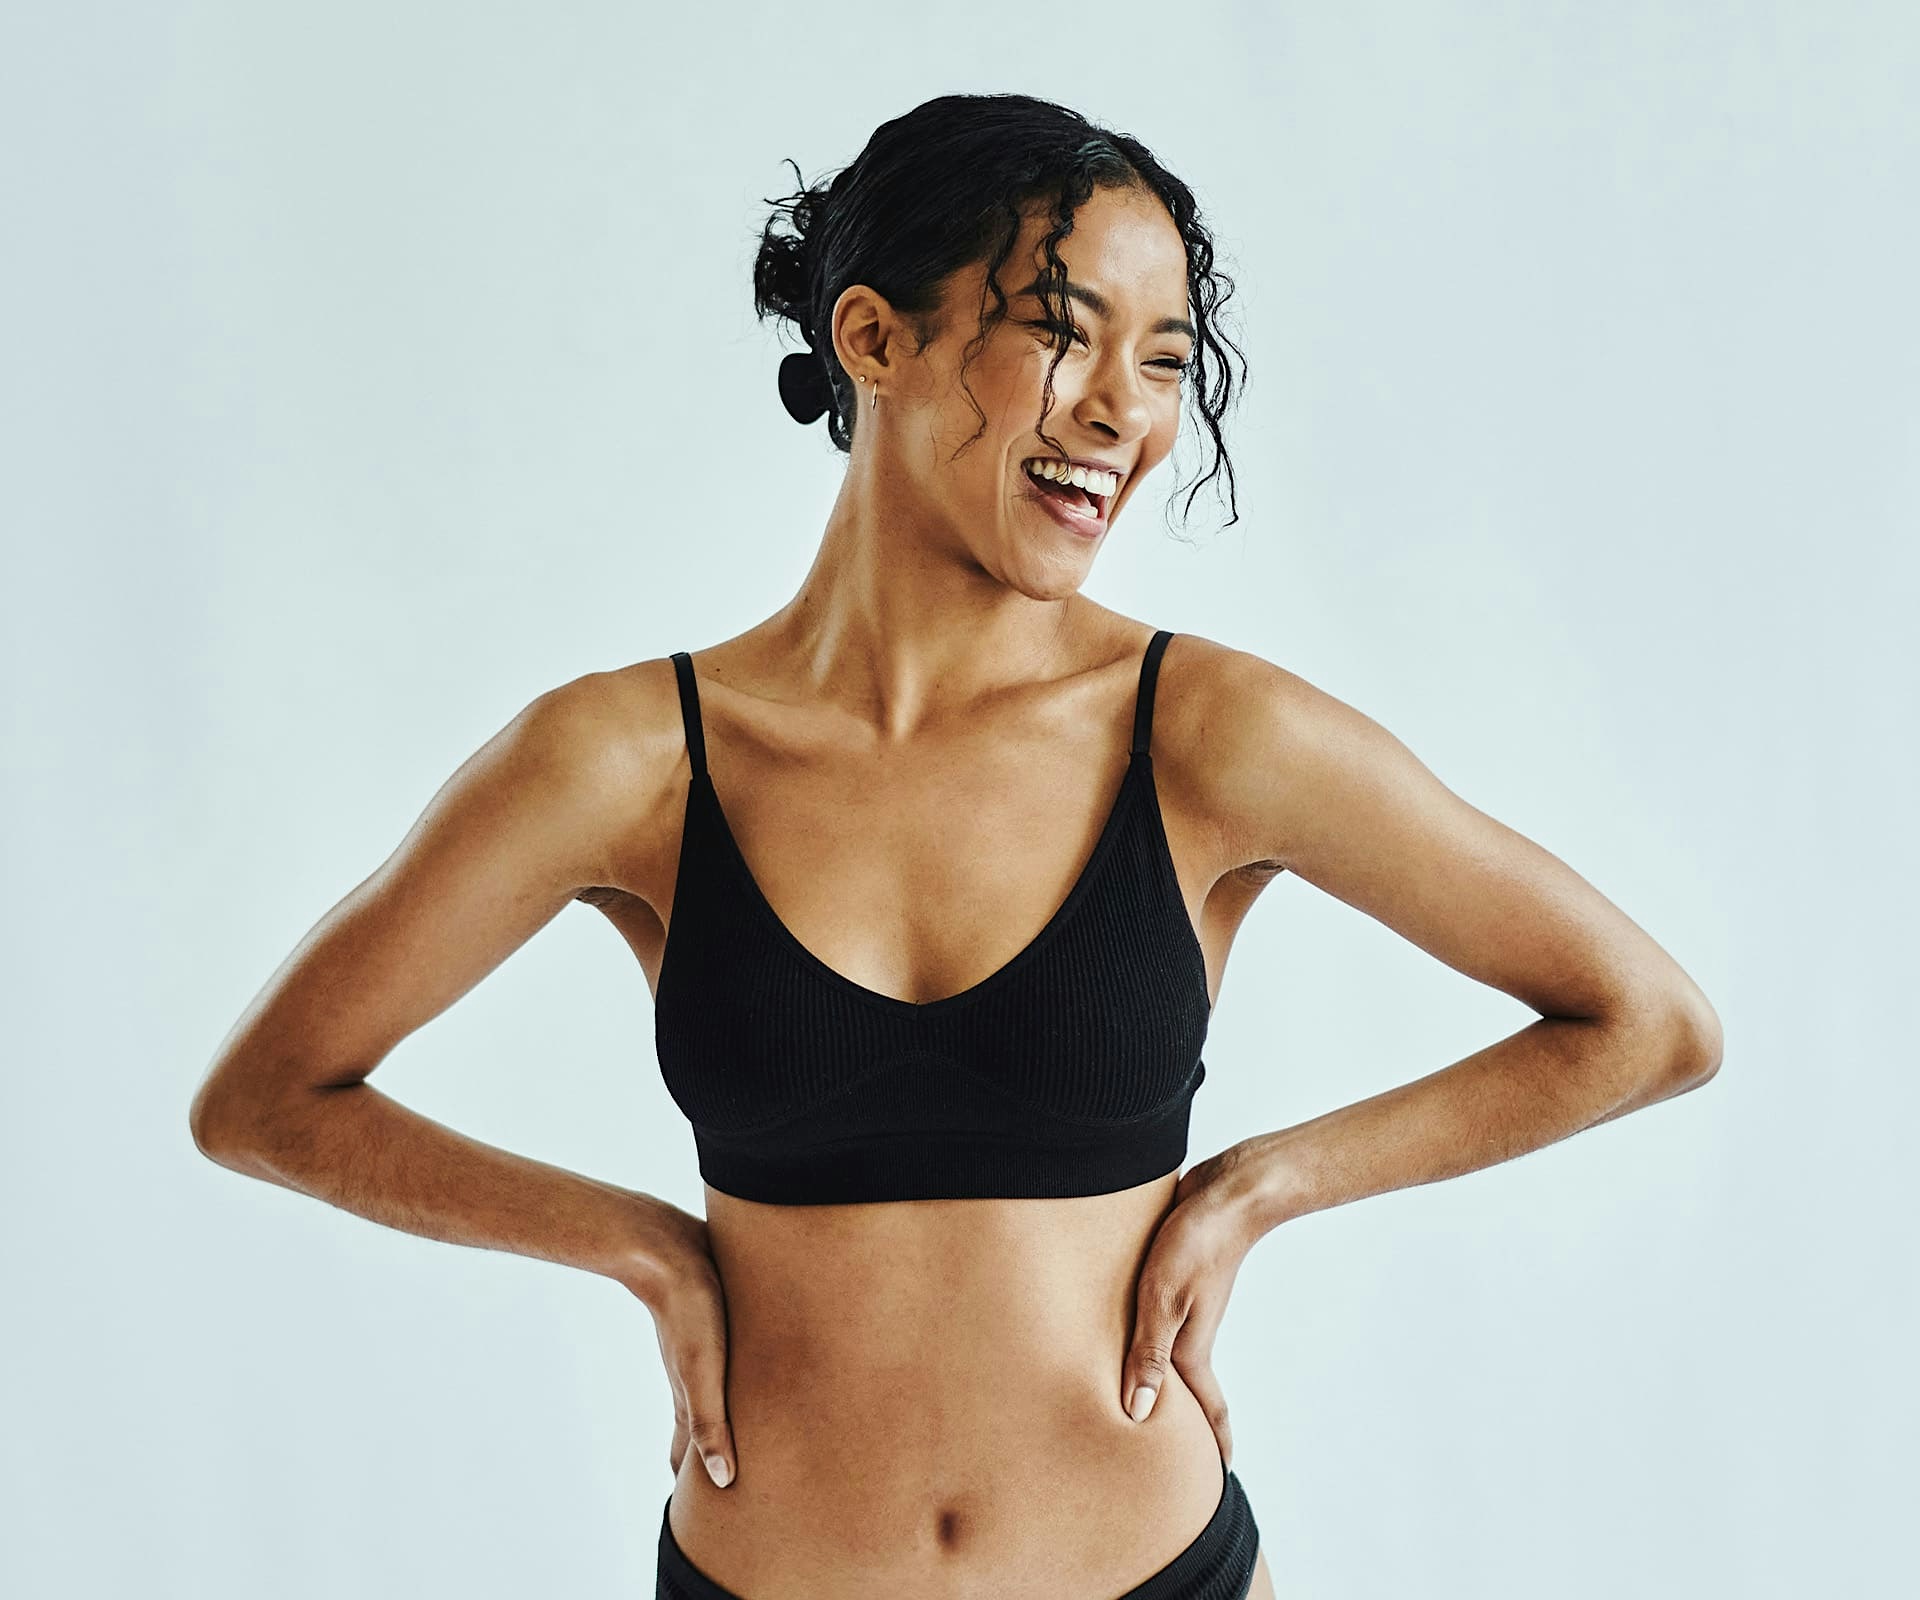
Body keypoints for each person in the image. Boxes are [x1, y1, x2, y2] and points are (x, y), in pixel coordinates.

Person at [189, 93, 1723, 1600]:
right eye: (1063, 329)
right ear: (872, 340)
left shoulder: (1205, 736)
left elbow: (1644, 1022)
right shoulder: (632, 760)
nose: (1125, 409)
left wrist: (1265, 1184)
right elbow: (268, 1098)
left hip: (1157, 1574)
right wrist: (642, 1247)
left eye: (1166, 359)